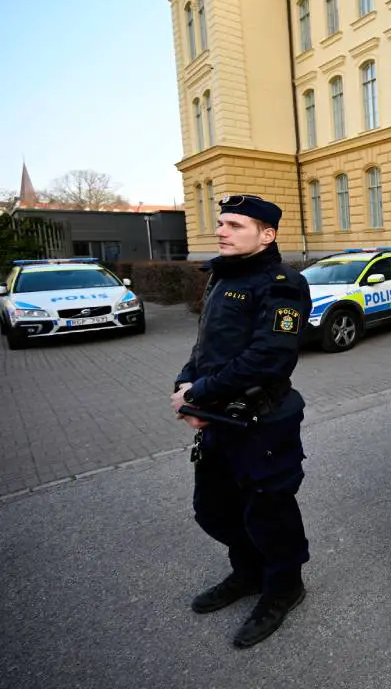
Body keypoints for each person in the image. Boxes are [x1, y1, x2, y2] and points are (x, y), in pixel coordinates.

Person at [169, 194, 313, 649]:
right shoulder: (220, 275)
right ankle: (249, 573)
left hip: (262, 424)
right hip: (217, 420)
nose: (221, 231)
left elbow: (269, 358)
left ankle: (284, 587)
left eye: (234, 224)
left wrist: (199, 394)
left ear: (266, 234)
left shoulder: (283, 284)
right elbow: (206, 347)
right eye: (221, 223)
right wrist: (187, 386)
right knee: (213, 510)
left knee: (269, 513)